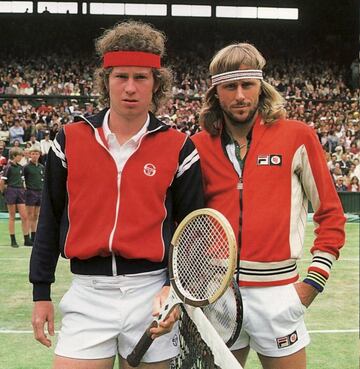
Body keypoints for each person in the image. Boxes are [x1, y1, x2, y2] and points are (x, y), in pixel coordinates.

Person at [29, 20, 204, 369]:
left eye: (141, 77)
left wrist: (175, 289)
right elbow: (50, 216)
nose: (130, 87)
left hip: (152, 292)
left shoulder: (180, 147)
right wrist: (41, 293)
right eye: (120, 76)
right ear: (105, 80)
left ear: (156, 84)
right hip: (87, 294)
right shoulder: (70, 138)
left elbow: (192, 230)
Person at [192, 43, 346, 369]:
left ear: (260, 86)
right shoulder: (197, 146)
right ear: (215, 92)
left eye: (247, 85)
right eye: (229, 87)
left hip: (279, 293)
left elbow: (330, 213)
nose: (240, 96)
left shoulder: (298, 136)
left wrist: (312, 284)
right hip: (218, 294)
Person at [0, 147, 32, 247]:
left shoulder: (20, 167)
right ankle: (13, 240)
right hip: (11, 190)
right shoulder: (7, 167)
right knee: (12, 216)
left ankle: (27, 239)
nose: (21, 157)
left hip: (20, 191)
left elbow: (23, 181)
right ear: (14, 156)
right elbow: (2, 181)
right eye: (20, 155)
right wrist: (4, 192)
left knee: (24, 216)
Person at [23, 147, 45, 242]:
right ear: (30, 155)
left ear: (39, 155)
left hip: (40, 192)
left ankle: (34, 236)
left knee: (36, 215)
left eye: (36, 153)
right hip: (30, 192)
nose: (35, 155)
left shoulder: (41, 167)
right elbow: (23, 180)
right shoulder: (26, 167)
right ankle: (26, 238)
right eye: (33, 153)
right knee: (29, 215)